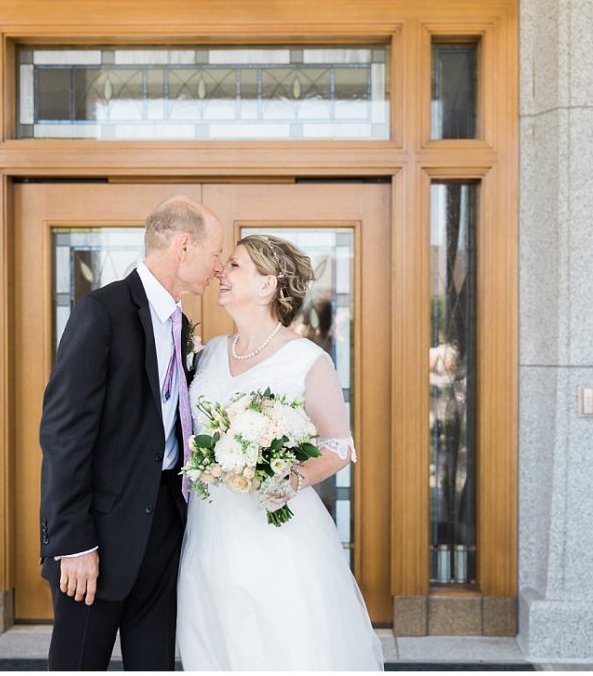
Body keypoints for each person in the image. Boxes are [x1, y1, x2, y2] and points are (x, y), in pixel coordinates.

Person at [176, 235, 385, 671]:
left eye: (234, 266)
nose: (221, 272)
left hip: (274, 530)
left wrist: (292, 478)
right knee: (215, 642)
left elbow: (338, 445)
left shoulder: (306, 360)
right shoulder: (210, 352)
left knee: (278, 645)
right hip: (211, 529)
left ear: (268, 286)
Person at [39, 195, 224, 671]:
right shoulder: (101, 312)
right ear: (184, 246)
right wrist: (73, 543)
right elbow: (64, 434)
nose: (219, 266)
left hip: (163, 525)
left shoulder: (180, 323)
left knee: (155, 663)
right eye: (215, 252)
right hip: (96, 537)